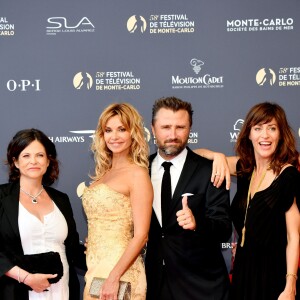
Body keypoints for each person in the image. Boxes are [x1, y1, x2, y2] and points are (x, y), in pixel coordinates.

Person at [196, 102, 300, 300]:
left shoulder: (287, 175)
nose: (265, 135)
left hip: (275, 275)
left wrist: (290, 285)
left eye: (272, 128)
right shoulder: (245, 168)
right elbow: (196, 156)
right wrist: (216, 156)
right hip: (244, 272)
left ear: (281, 134)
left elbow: (293, 236)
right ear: (249, 134)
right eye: (258, 128)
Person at [145, 96, 232, 300]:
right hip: (155, 284)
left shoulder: (210, 170)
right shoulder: (140, 171)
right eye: (166, 127)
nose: (173, 135)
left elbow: (223, 228)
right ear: (153, 128)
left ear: (190, 129)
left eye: (180, 127)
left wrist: (197, 223)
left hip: (201, 286)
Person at [0, 128, 86, 300]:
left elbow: (72, 249)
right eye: (26, 156)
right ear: (15, 162)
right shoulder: (2, 197)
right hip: (18, 290)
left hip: (63, 290)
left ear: (48, 161)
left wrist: (99, 250)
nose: (33, 161)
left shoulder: (61, 199)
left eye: (40, 155)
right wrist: (26, 278)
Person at [82, 103, 153, 300]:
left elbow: (141, 235)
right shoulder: (102, 175)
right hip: (95, 268)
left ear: (133, 133)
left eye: (122, 129)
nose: (114, 136)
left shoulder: (137, 174)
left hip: (121, 270)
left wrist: (114, 277)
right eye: (108, 130)